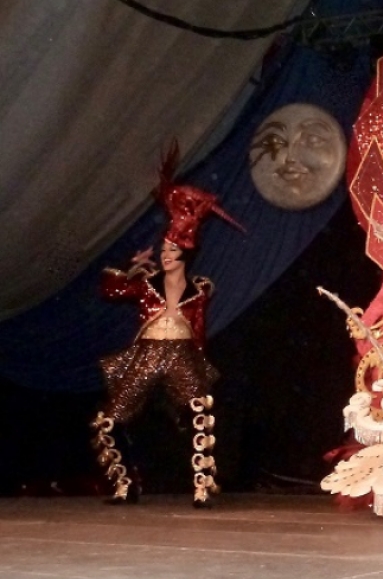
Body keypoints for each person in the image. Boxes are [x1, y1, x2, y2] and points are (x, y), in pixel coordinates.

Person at [91, 144, 241, 507]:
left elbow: (199, 327)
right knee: (109, 420)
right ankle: (126, 485)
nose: (166, 255)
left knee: (200, 414)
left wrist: (199, 363)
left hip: (181, 353)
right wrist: (129, 266)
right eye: (164, 250)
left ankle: (202, 487)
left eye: (173, 251)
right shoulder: (145, 283)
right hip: (147, 352)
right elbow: (109, 289)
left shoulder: (198, 290)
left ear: (185, 255)